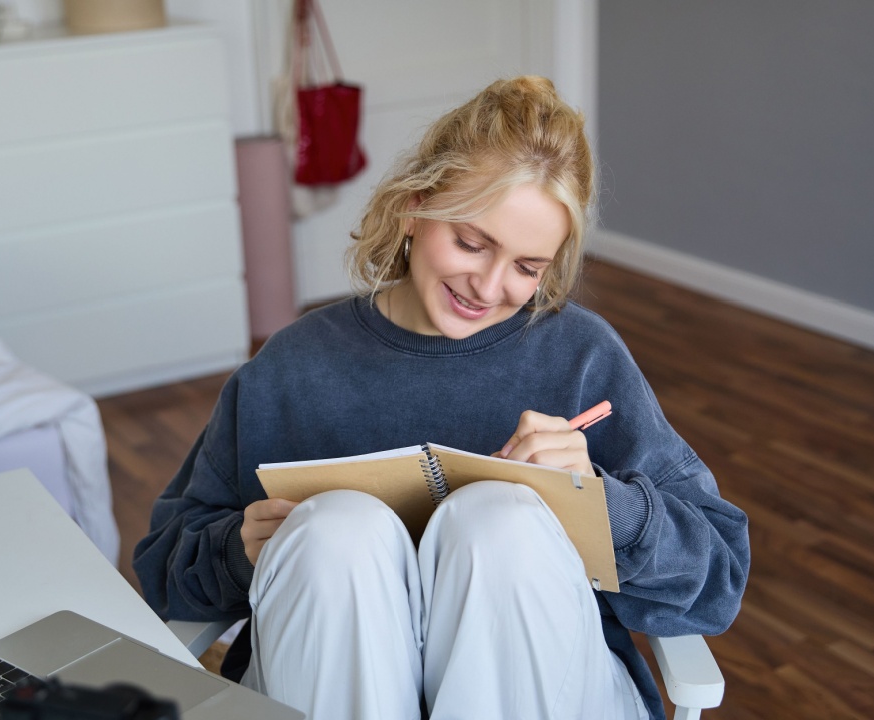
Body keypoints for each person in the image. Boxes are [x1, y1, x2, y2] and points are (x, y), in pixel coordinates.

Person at [134, 76, 750, 720]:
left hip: (547, 691)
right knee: (335, 531)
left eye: (527, 267)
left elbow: (719, 578)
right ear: (414, 207)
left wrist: (604, 505)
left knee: (501, 522)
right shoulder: (292, 368)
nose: (488, 286)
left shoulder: (581, 356)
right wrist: (239, 551)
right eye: (471, 243)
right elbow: (162, 570)